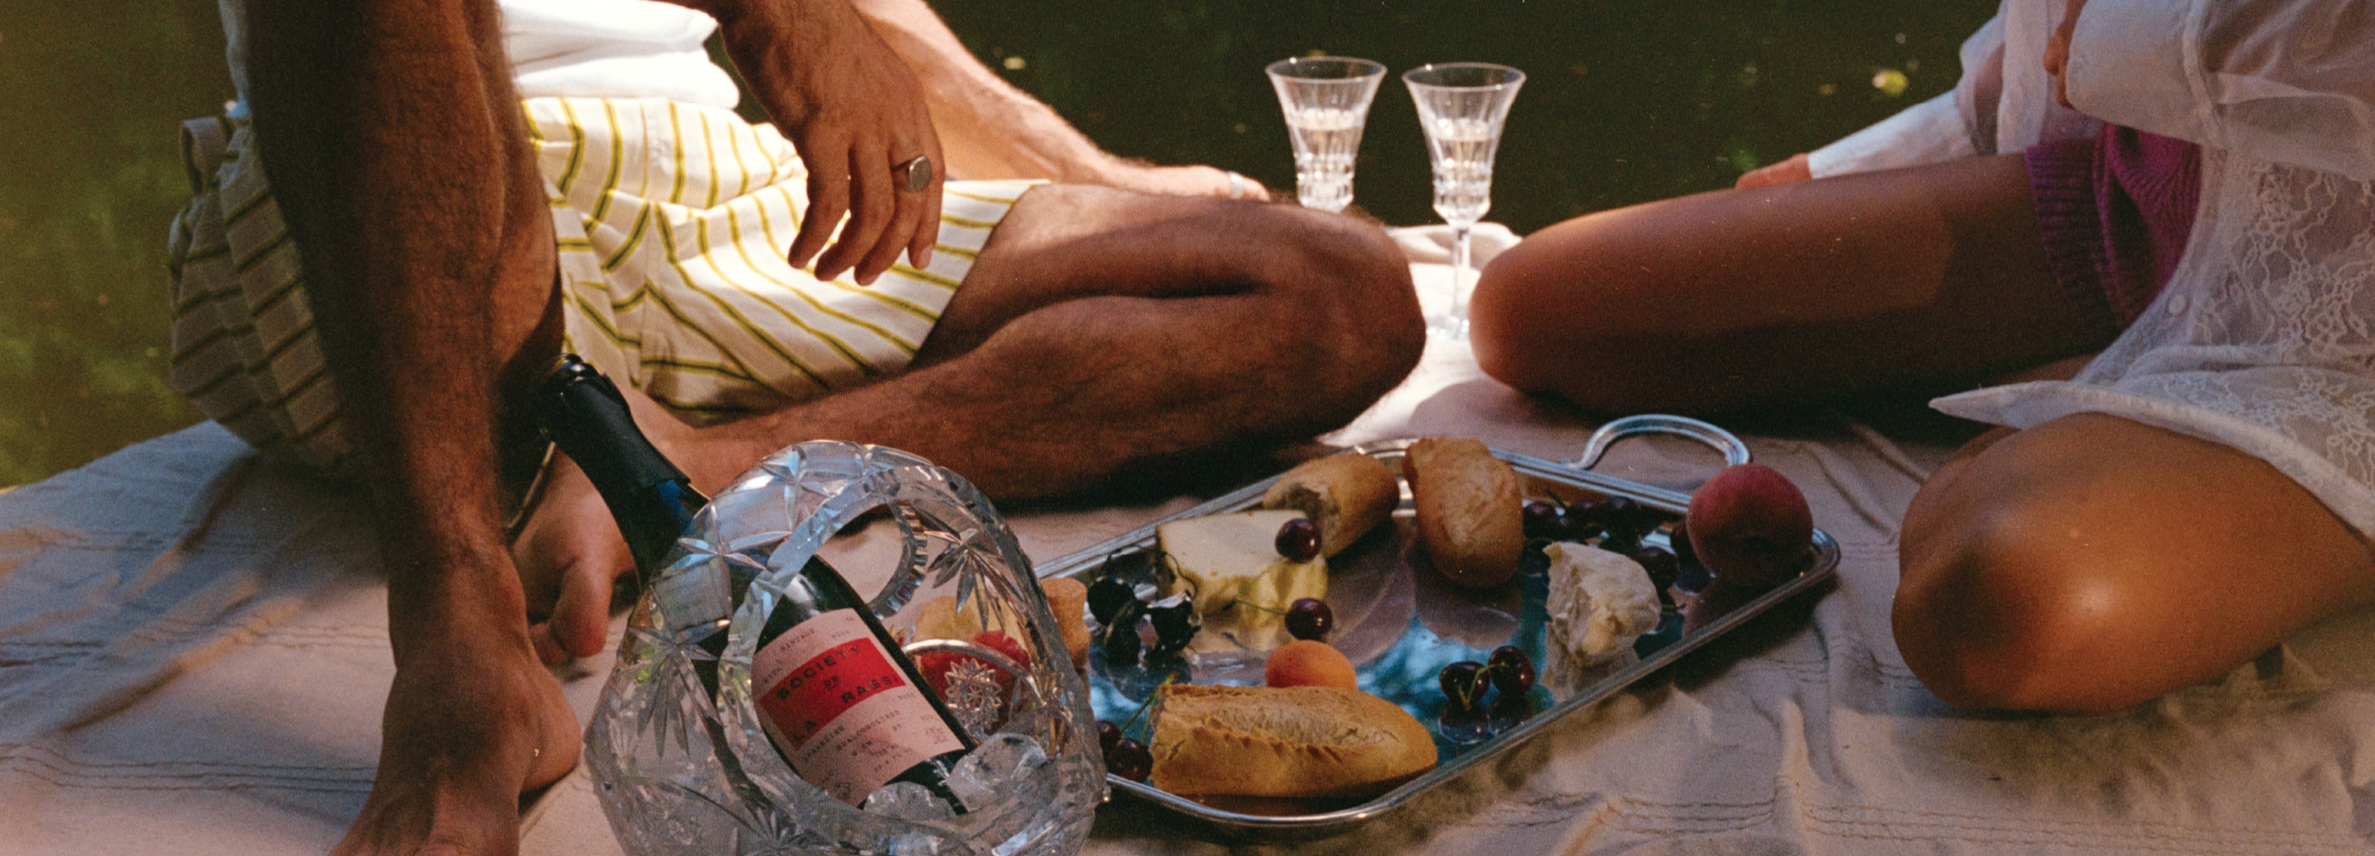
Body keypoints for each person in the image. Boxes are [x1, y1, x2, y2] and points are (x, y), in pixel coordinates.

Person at [164, 0, 1423, 852]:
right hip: (402, 171)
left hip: (708, 179)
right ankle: (458, 620)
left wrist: (1103, 183)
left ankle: (671, 464)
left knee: (1333, 291)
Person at [1469, 0, 2375, 715]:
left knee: (1980, 606)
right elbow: (2040, 46)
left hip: (2339, 335)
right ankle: (2088, 380)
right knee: (1526, 309)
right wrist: (1868, 168)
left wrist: (2117, 33)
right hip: (2120, 210)